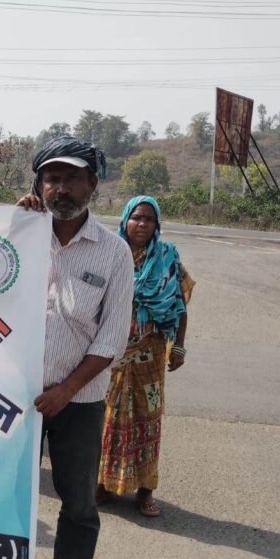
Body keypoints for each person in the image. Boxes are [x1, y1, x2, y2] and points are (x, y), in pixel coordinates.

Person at [0, 136, 133, 559]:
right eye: (51, 178)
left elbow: (112, 338)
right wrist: (12, 229)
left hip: (80, 400)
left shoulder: (114, 252)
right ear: (38, 185)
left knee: (78, 503)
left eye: (72, 177)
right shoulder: (17, 237)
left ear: (93, 183)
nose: (61, 188)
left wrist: (65, 390)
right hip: (13, 397)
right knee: (8, 493)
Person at [97, 196, 193, 517]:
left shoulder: (167, 257)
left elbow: (179, 305)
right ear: (125, 220)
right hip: (112, 352)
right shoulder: (112, 254)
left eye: (149, 219)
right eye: (136, 217)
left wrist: (178, 346)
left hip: (150, 354)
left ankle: (145, 490)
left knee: (147, 419)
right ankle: (103, 484)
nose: (142, 224)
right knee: (108, 418)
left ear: (157, 225)